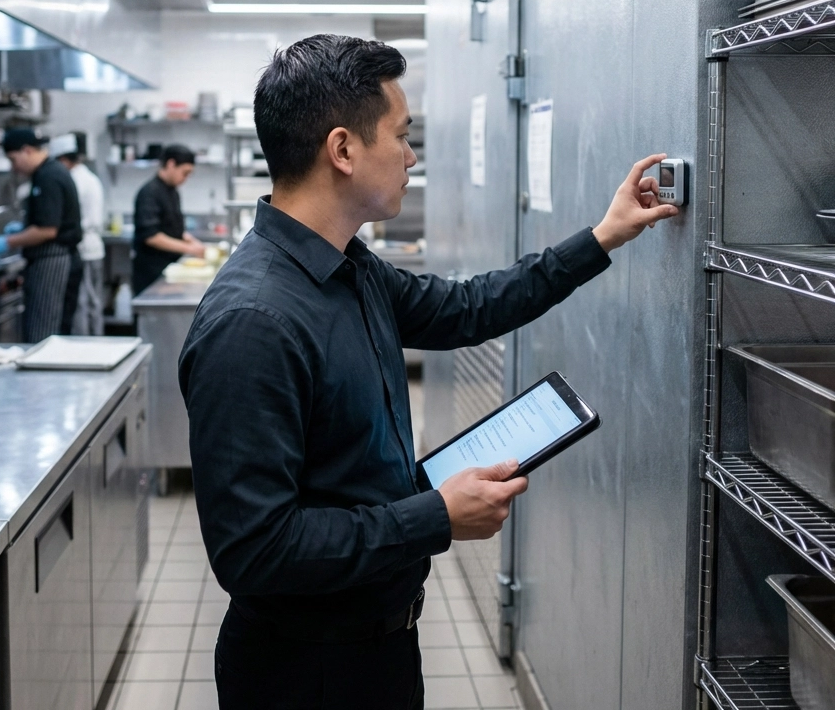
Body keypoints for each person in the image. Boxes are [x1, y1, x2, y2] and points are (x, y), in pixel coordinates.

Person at [178, 35, 679, 710]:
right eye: (402, 136)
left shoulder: (350, 268)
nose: (411, 157)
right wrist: (433, 517)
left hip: (379, 645)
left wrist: (602, 238)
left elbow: (465, 309)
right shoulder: (254, 323)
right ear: (344, 151)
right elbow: (256, 549)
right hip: (305, 672)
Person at [0, 129, 82, 343]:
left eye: (13, 159)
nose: (14, 166)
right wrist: (24, 227)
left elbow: (47, 230)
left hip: (51, 263)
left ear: (26, 151)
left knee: (43, 335)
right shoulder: (48, 172)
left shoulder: (49, 176)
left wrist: (8, 241)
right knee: (51, 332)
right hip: (54, 260)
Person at [131, 144, 205, 296]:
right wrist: (189, 248)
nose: (186, 179)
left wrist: (191, 240)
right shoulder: (149, 193)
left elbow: (173, 228)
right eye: (185, 173)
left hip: (169, 269)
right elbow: (151, 236)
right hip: (151, 272)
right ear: (171, 164)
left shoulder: (172, 191)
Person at [51, 134, 106, 335]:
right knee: (94, 302)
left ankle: (84, 345)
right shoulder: (90, 177)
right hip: (94, 248)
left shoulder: (74, 180)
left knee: (81, 304)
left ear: (63, 159)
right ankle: (96, 341)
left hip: (83, 247)